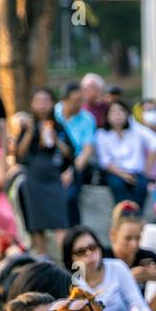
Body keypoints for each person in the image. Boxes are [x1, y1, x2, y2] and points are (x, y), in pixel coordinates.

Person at [14, 88, 74, 257]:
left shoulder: (59, 126)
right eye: (38, 101)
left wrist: (56, 140)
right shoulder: (26, 126)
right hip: (34, 179)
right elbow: (20, 154)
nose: (42, 105)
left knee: (60, 223)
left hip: (54, 178)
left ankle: (66, 261)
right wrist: (31, 131)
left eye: (45, 101)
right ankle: (43, 260)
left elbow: (70, 153)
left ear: (52, 103)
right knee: (37, 224)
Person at [61, 225, 151, 311]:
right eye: (81, 251)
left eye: (93, 247)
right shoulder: (71, 284)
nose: (89, 254)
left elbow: (138, 304)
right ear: (70, 258)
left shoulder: (117, 267)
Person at [95, 100, 156, 208]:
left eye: (121, 111)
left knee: (141, 186)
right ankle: (122, 219)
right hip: (115, 173)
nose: (118, 115)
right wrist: (123, 174)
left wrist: (147, 169)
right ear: (107, 116)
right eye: (113, 112)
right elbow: (105, 161)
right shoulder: (101, 134)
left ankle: (136, 219)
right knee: (118, 186)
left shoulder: (136, 129)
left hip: (136, 172)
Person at [55, 82, 96, 227]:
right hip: (54, 160)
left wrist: (72, 170)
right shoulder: (54, 114)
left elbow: (86, 150)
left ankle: (75, 231)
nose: (80, 105)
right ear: (64, 101)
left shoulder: (87, 119)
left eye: (81, 100)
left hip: (76, 162)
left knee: (70, 196)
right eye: (75, 101)